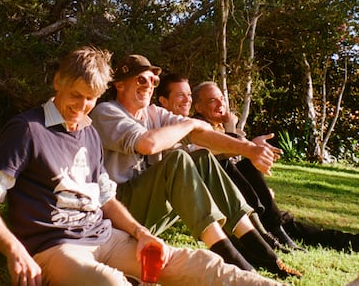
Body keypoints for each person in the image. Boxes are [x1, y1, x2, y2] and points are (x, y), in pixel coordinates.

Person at [0, 46, 291, 286]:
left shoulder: (89, 132)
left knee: (198, 263)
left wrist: (141, 233)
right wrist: (15, 250)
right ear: (57, 82)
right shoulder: (27, 129)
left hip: (106, 237)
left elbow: (105, 199)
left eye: (90, 98)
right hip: (57, 247)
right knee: (112, 285)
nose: (81, 108)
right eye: (76, 96)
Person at [89, 54, 303, 279]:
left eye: (153, 81)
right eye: (141, 80)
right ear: (119, 84)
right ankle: (232, 258)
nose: (149, 86)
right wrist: (190, 123)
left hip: (148, 212)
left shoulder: (154, 113)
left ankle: (262, 253)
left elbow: (203, 136)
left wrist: (249, 149)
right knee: (178, 160)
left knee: (201, 157)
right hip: (117, 212)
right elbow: (148, 144)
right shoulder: (106, 112)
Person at [187, 79, 359, 254]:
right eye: (213, 100)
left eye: (222, 98)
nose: (221, 104)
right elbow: (217, 157)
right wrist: (242, 139)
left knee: (284, 221)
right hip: (222, 199)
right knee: (252, 178)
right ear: (199, 107)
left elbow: (237, 148)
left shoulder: (220, 127)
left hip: (244, 197)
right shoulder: (197, 127)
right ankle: (276, 232)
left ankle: (351, 241)